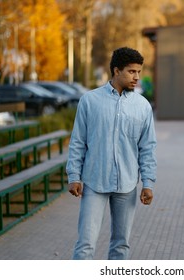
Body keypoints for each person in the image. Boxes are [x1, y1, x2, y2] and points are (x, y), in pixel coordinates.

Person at [66, 47, 157, 260]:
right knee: (86, 244)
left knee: (121, 245)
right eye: (131, 71)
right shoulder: (90, 101)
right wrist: (74, 176)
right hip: (94, 181)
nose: (136, 77)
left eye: (138, 72)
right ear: (116, 70)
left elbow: (148, 147)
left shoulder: (142, 106)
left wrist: (148, 183)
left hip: (126, 185)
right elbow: (78, 142)